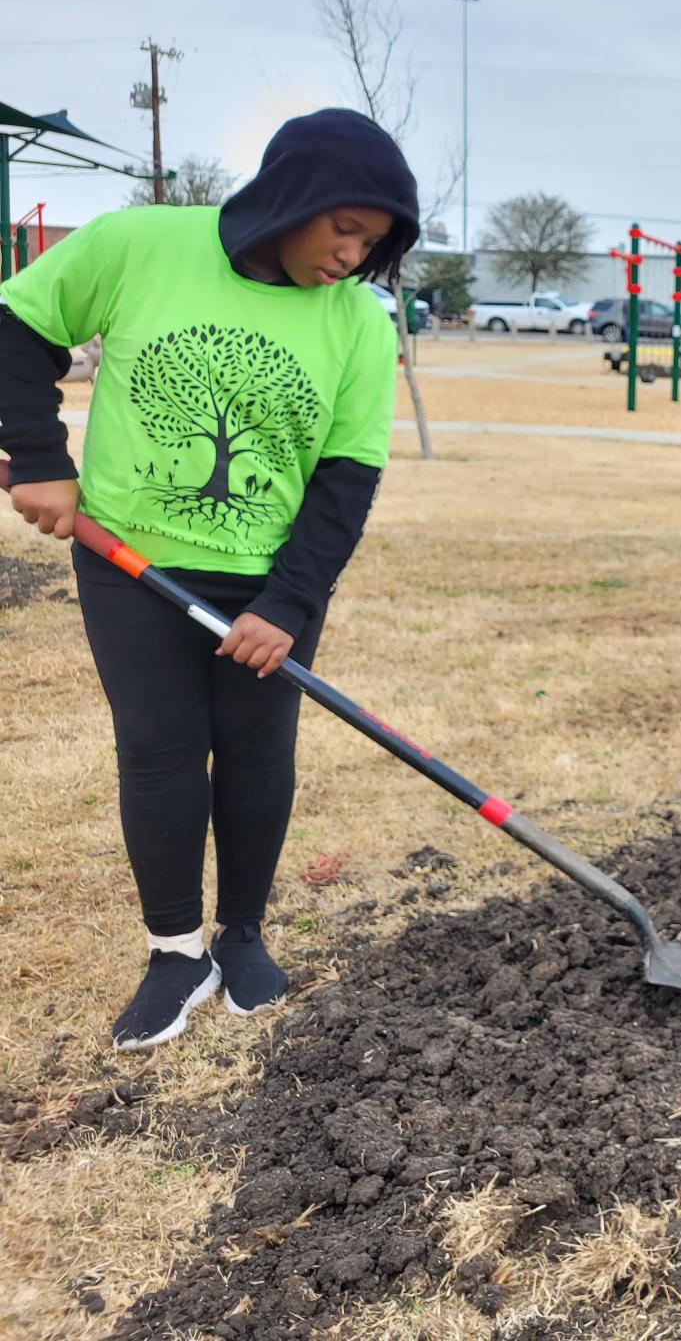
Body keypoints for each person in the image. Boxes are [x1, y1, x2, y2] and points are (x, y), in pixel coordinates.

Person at [0, 108, 419, 1050]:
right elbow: (16, 331)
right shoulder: (138, 242)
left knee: (258, 748)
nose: (353, 256)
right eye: (344, 228)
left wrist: (287, 604)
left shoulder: (356, 320)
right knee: (158, 746)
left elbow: (346, 479)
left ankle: (243, 935)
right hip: (130, 557)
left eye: (374, 242)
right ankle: (174, 951)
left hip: (268, 575)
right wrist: (35, 455)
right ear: (292, 197)